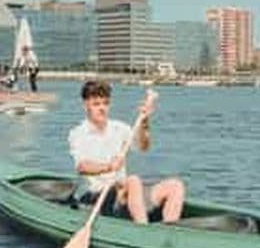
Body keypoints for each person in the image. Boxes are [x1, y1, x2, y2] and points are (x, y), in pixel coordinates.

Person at [68, 79, 184, 224]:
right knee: (133, 181)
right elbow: (82, 167)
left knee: (175, 186)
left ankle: (170, 232)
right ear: (86, 105)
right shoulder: (78, 133)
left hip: (123, 193)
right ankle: (143, 229)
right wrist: (108, 167)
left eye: (105, 103)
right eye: (96, 104)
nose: (102, 108)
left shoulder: (120, 129)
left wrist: (144, 121)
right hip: (95, 198)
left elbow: (143, 146)